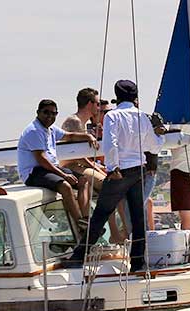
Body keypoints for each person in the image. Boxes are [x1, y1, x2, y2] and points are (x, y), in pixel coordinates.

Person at [65, 80, 161, 271]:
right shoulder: (143, 116)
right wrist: (161, 135)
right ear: (135, 97)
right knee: (137, 217)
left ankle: (78, 256)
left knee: (101, 213)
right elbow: (154, 146)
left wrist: (113, 167)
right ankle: (138, 262)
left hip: (120, 171)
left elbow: (110, 144)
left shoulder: (112, 116)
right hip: (138, 170)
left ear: (117, 97)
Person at [17, 99, 93, 236]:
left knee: (84, 181)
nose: (50, 116)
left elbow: (68, 136)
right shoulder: (33, 131)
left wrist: (88, 136)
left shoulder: (50, 129)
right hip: (33, 172)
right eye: (46, 112)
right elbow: (42, 160)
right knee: (65, 186)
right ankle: (80, 225)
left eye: (54, 113)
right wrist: (64, 175)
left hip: (49, 168)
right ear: (38, 113)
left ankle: (86, 220)